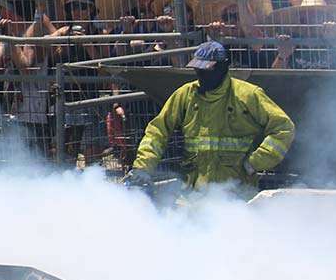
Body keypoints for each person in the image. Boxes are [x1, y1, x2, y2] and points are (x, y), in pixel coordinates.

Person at [126, 40, 295, 191]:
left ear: (223, 66)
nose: (202, 75)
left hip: (237, 193)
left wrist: (256, 162)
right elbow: (157, 132)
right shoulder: (185, 94)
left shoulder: (247, 95)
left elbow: (283, 128)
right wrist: (143, 168)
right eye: (198, 69)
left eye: (207, 69)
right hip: (193, 192)